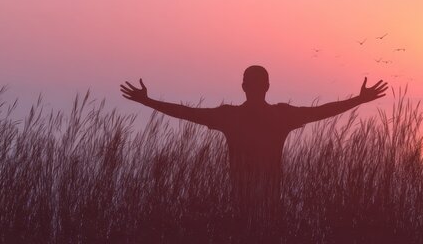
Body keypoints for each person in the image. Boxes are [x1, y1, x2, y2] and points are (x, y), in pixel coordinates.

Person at [120, 65, 387, 232]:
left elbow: (185, 113)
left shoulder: (229, 117)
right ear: (267, 87)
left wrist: (149, 102)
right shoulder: (281, 116)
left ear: (244, 86)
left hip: (244, 209)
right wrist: (359, 100)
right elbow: (322, 112)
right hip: (270, 210)